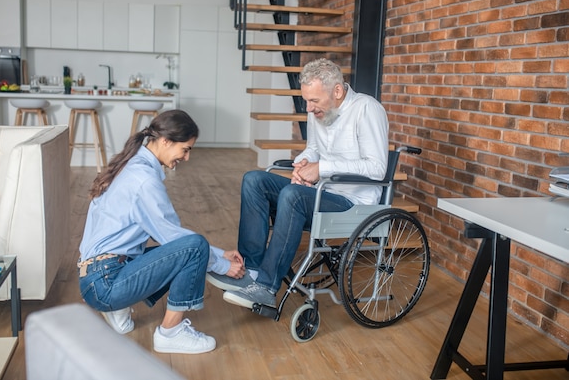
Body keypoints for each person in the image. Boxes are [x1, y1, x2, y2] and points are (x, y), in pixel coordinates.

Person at [206, 58, 389, 309]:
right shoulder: (320, 111)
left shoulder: (367, 109)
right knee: (254, 180)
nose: (309, 108)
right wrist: (303, 164)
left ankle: (267, 287)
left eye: (314, 100)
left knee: (293, 195)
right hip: (322, 194)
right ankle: (253, 271)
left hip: (353, 204)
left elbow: (377, 169)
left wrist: (321, 168)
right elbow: (313, 149)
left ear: (337, 91)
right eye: (306, 100)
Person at [78, 109, 245, 354]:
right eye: (185, 149)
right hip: (106, 282)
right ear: (165, 141)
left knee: (186, 248)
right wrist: (222, 265)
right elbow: (178, 239)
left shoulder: (132, 163)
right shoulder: (144, 181)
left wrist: (221, 253)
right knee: (195, 246)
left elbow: (171, 242)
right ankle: (170, 333)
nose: (186, 157)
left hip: (96, 275)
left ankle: (116, 308)